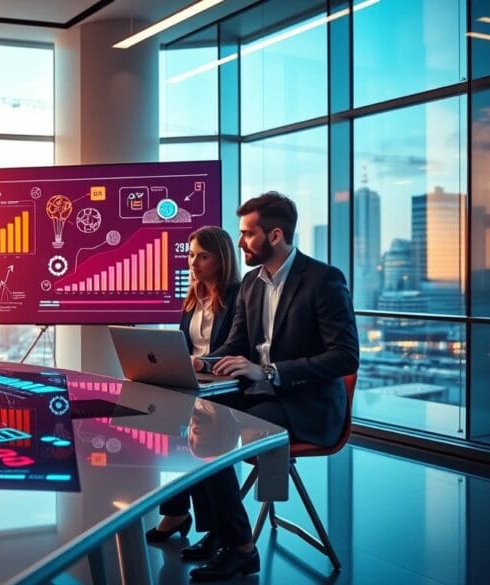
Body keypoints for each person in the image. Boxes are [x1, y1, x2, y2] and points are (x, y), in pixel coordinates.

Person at [185, 192, 359, 582]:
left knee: (214, 431)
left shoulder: (323, 280)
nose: (241, 242)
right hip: (264, 397)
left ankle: (241, 549)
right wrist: (204, 361)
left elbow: (345, 357)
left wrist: (269, 371)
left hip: (308, 405)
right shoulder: (251, 283)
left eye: (247, 234)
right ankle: (221, 533)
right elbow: (236, 345)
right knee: (195, 421)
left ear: (275, 234)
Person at [145, 226, 240, 542]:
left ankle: (210, 527)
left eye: (203, 256)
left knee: (194, 428)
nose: (193, 263)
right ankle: (176, 511)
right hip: (195, 380)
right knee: (159, 419)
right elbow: (183, 347)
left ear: (221, 259)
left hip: (225, 382)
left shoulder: (239, 296)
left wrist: (204, 363)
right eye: (190, 255)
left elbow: (239, 346)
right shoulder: (192, 300)